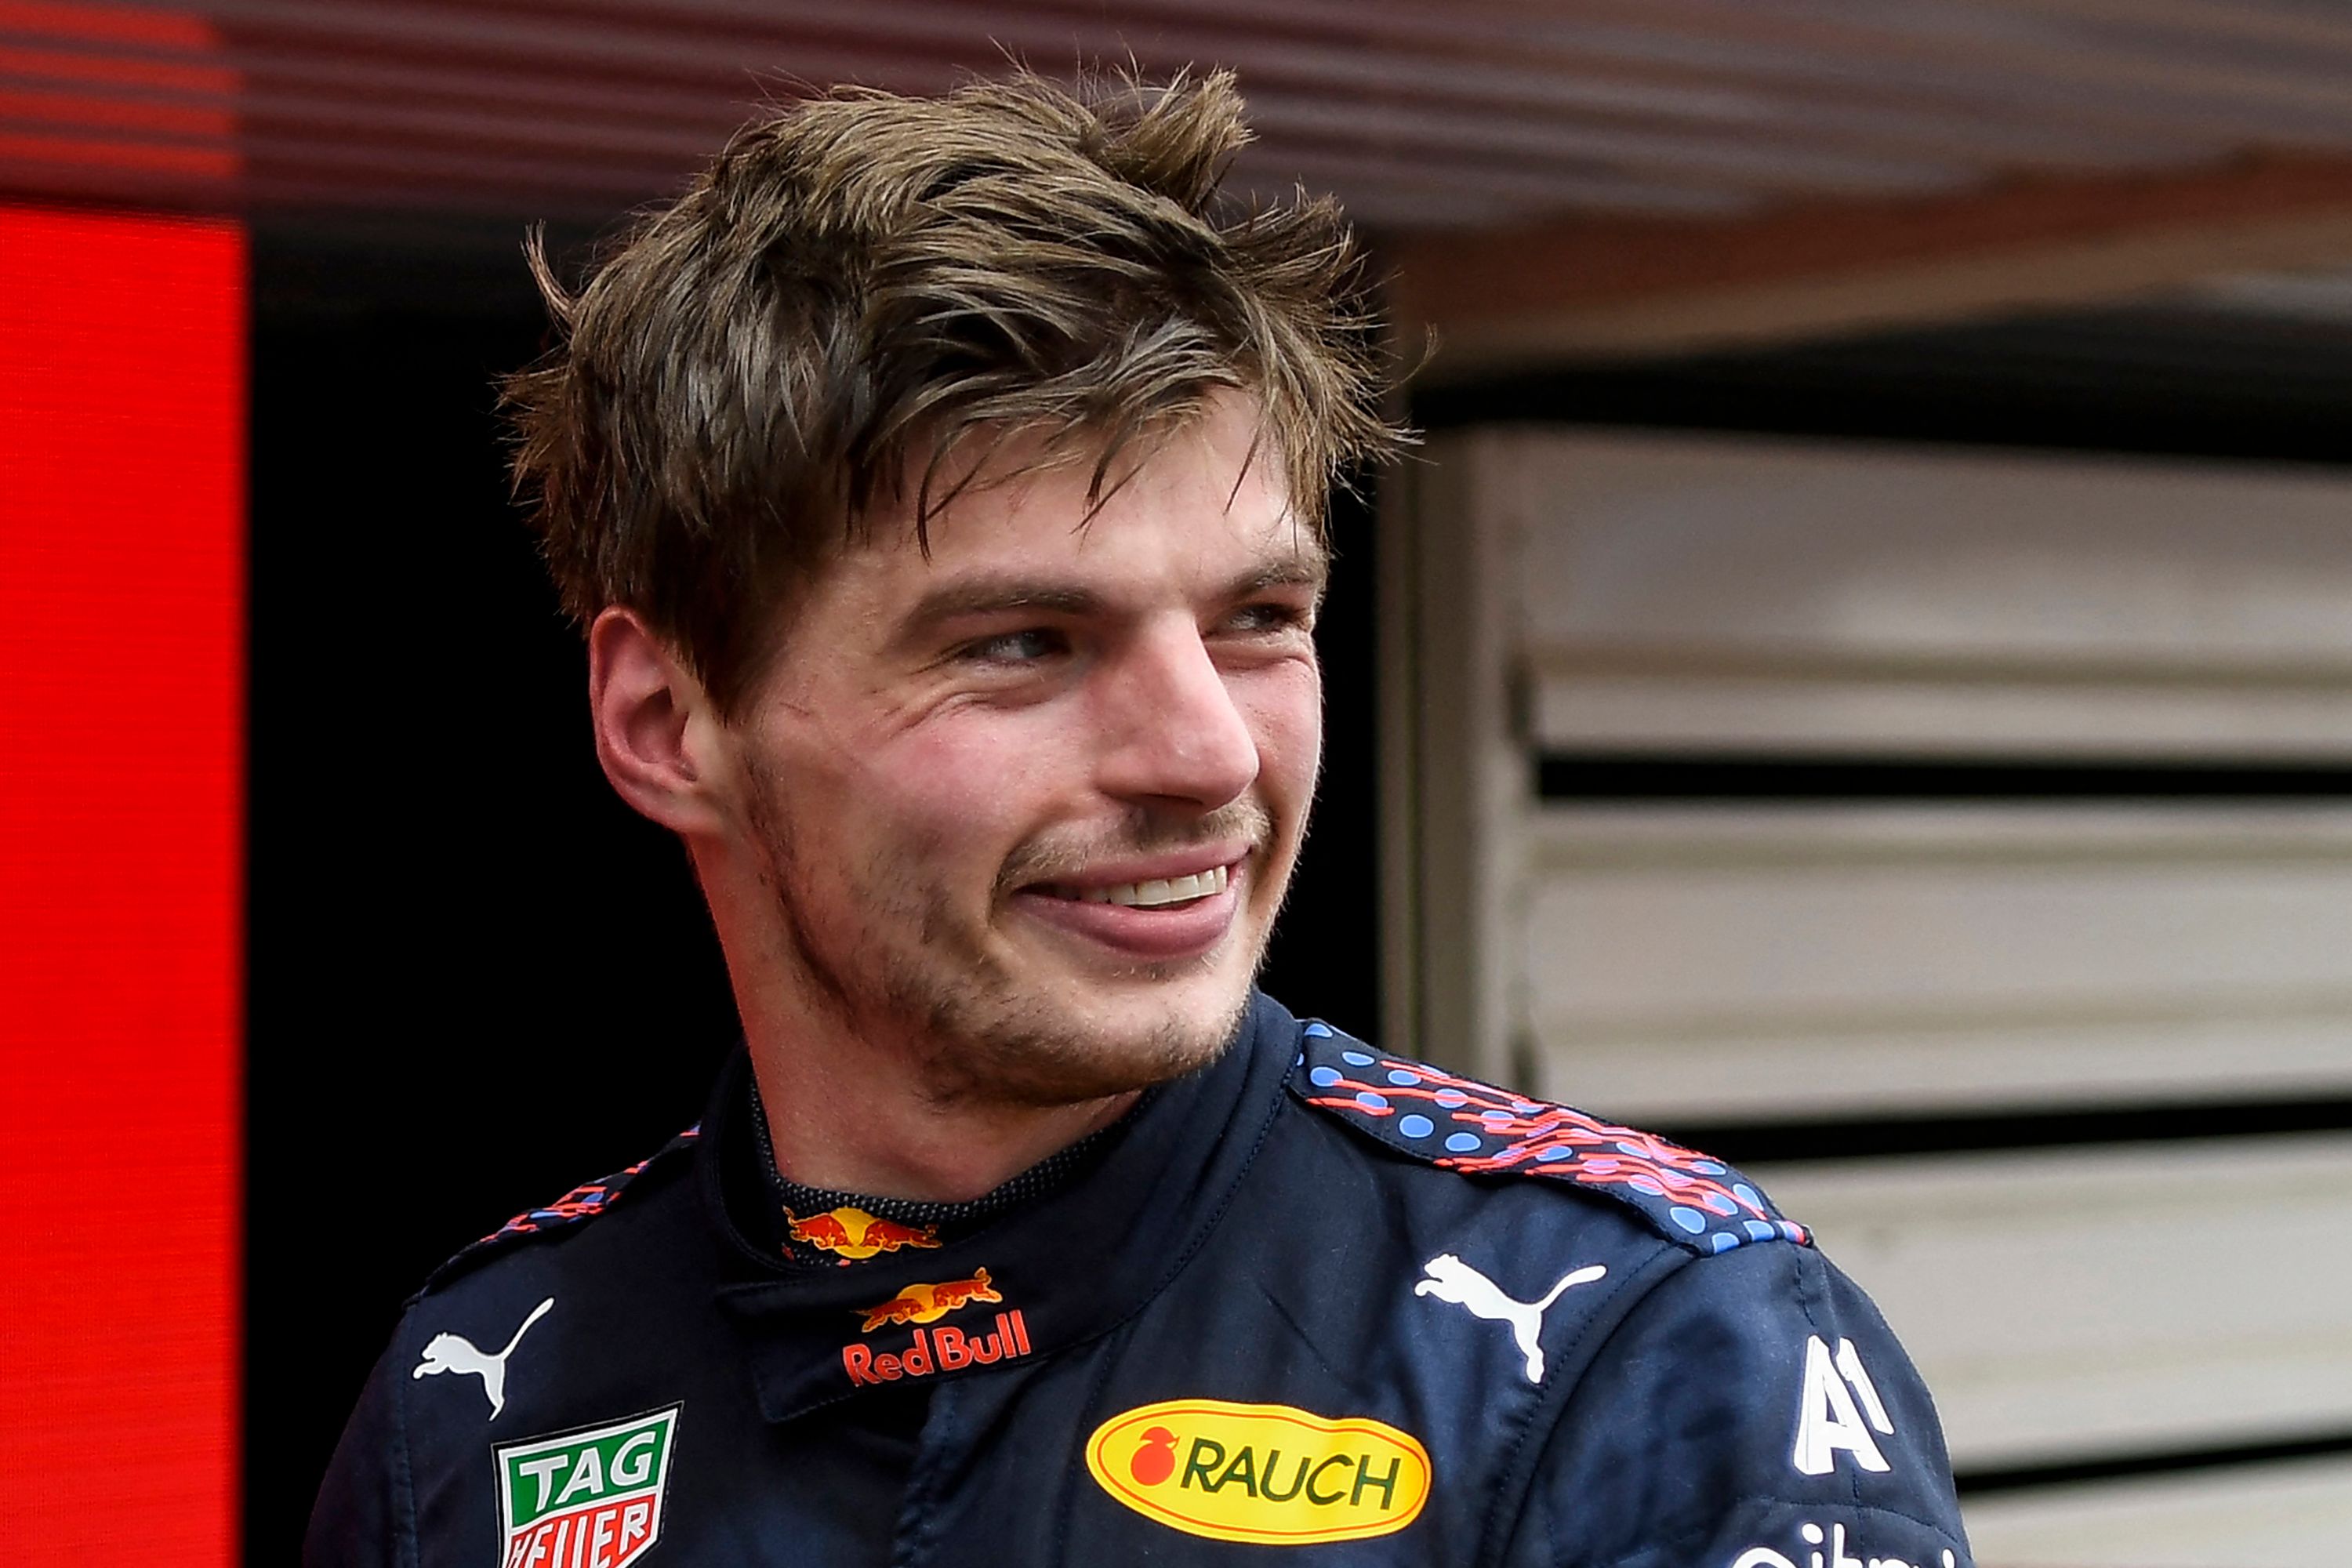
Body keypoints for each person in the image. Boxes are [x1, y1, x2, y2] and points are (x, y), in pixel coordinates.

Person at [308, 71, 1975, 1568]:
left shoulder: (1649, 1348)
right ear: (670, 726)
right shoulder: (477, 1398)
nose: (1205, 754)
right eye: (1022, 643)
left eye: (1259, 619)